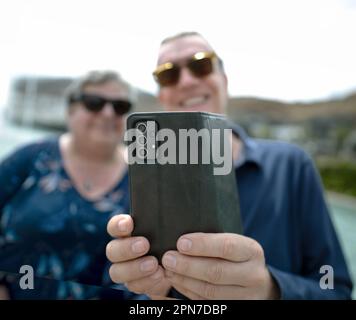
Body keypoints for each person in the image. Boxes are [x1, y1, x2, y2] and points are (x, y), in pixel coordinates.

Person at [105, 32, 353, 300]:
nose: (187, 80)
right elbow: (122, 289)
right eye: (168, 74)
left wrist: (271, 289)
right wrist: (155, 292)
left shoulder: (292, 165)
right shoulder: (139, 176)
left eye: (201, 64)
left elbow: (333, 284)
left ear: (224, 80)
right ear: (161, 95)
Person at [0, 70, 145, 299]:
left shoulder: (143, 177)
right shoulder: (32, 158)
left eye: (119, 106)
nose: (108, 113)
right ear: (71, 109)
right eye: (94, 103)